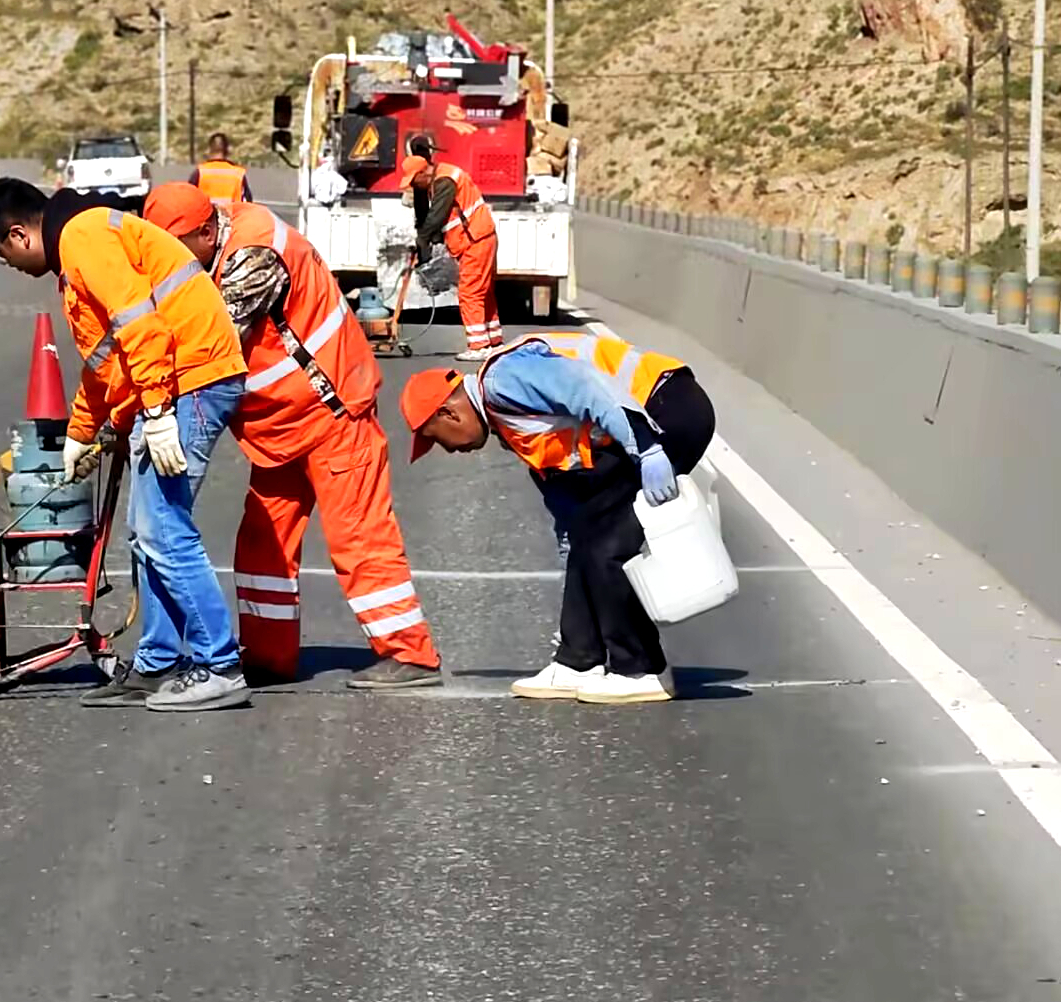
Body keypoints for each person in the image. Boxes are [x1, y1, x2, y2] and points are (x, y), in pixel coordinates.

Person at [143, 183, 442, 688]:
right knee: (264, 543)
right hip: (279, 428)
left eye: (175, 250)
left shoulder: (255, 252)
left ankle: (410, 654)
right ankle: (268, 655)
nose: (167, 263)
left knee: (359, 538)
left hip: (333, 414)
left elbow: (211, 340)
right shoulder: (211, 237)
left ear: (206, 232)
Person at [0, 178, 252, 712]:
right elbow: (109, 358)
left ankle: (220, 665)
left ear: (18, 234)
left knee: (163, 528)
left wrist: (157, 412)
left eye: (4, 255)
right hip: (177, 380)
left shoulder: (84, 238)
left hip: (190, 378)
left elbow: (142, 327)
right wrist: (82, 432)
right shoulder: (78, 248)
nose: (12, 266)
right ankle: (157, 664)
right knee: (145, 534)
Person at [398, 331, 715, 705]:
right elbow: (569, 513)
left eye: (438, 439)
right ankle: (579, 660)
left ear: (449, 413)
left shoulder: (503, 379)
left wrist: (646, 448)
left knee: (607, 541)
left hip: (666, 406)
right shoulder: (511, 426)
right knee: (589, 533)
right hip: (649, 415)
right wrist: (576, 564)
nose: (449, 450)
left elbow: (588, 388)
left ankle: (642, 669)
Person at [400, 140, 502, 360]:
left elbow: (436, 216)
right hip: (478, 238)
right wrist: (426, 239)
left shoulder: (445, 181)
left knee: (470, 293)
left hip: (475, 240)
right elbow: (430, 216)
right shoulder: (438, 177)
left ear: (423, 173)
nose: (414, 186)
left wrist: (423, 240)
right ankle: (494, 341)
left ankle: (479, 347)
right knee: (483, 292)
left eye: (414, 181)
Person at [190, 132, 252, 205]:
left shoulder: (200, 172)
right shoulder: (238, 174)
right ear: (227, 151)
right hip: (233, 212)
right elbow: (247, 203)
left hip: (207, 212)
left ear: (210, 150)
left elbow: (188, 199)